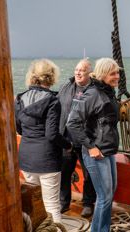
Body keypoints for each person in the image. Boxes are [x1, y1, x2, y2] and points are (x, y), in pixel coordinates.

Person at [15, 59, 72, 223]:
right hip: (47, 159)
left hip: (26, 158)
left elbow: (19, 129)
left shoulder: (19, 99)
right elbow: (52, 134)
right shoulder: (52, 101)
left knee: (34, 203)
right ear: (51, 76)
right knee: (52, 205)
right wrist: (68, 145)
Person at [66, 58, 120, 232]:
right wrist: (91, 147)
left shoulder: (108, 92)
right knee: (104, 197)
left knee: (109, 194)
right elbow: (72, 123)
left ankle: (103, 228)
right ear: (103, 74)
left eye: (118, 73)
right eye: (113, 73)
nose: (117, 76)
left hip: (108, 150)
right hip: (97, 152)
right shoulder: (92, 93)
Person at [57, 59, 96, 217]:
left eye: (82, 70)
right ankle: (63, 202)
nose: (78, 73)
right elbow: (56, 105)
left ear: (89, 73)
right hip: (67, 140)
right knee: (65, 172)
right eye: (76, 70)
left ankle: (87, 203)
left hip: (85, 140)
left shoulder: (94, 89)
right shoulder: (66, 87)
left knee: (89, 174)